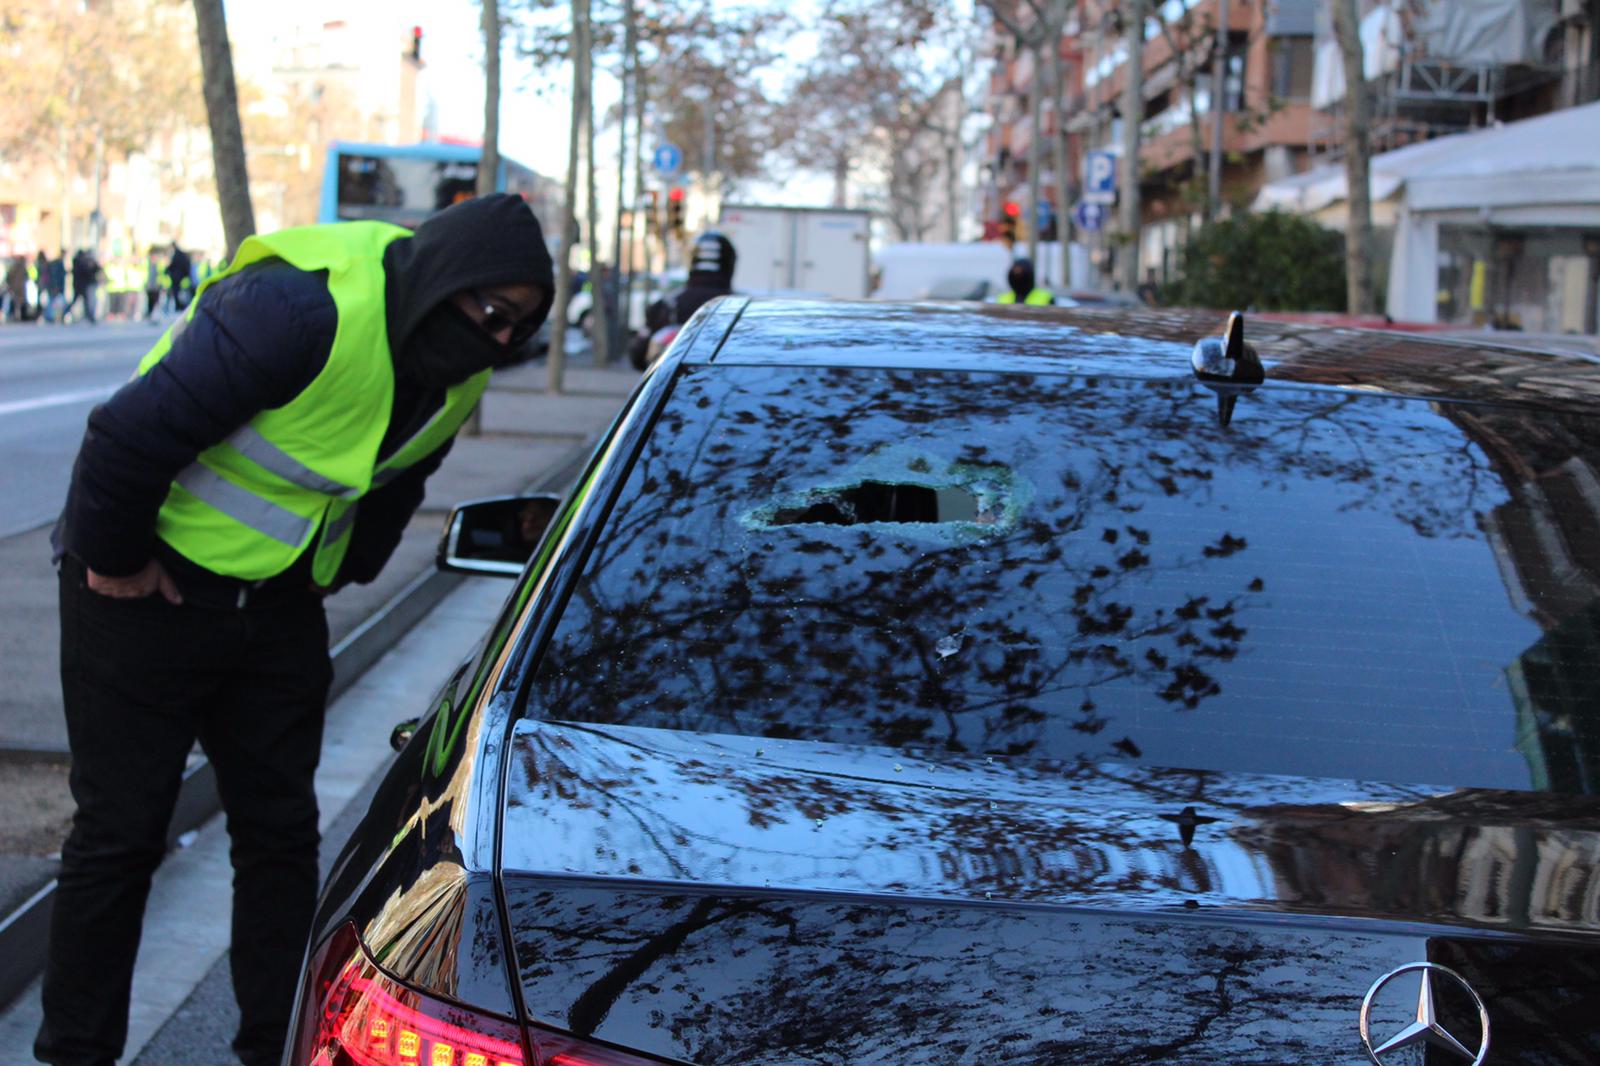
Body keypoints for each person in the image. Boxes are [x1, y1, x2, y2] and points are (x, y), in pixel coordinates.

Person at [38, 193, 554, 1066]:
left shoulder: (458, 362)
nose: (499, 345)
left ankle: (269, 1050)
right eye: (492, 317)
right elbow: (126, 437)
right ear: (445, 282)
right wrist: (116, 560)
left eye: (519, 332)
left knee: (279, 841)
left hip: (273, 613)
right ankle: (75, 1054)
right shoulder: (298, 309)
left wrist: (339, 573)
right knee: (119, 839)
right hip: (143, 593)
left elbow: (398, 476)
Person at [66, 249, 101, 324]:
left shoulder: (77, 263)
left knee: (80, 301)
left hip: (78, 285)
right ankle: (90, 317)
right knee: (85, 302)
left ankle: (89, 317)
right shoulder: (81, 263)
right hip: (82, 285)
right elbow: (89, 272)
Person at [165, 242, 193, 312]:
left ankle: (179, 306)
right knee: (179, 293)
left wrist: (167, 270)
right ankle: (179, 306)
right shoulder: (182, 255)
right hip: (181, 277)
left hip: (177, 277)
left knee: (177, 292)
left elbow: (173, 265)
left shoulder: (177, 255)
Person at [143, 247, 164, 321]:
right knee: (149, 301)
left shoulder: (159, 264)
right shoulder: (146, 264)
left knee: (156, 301)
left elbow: (162, 275)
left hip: (156, 286)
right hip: (149, 285)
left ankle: (154, 315)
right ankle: (149, 314)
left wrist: (161, 284)